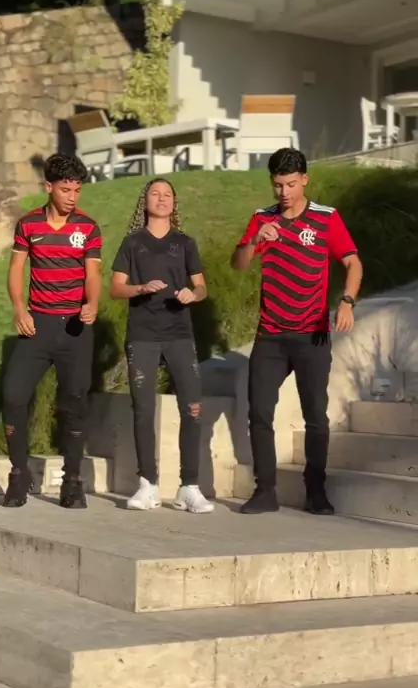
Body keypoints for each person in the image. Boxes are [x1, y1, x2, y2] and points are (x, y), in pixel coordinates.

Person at [231, 147, 363, 516]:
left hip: (312, 334)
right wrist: (255, 240)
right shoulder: (262, 218)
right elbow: (238, 264)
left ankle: (316, 491)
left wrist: (347, 301)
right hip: (270, 336)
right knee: (259, 412)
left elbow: (353, 262)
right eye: (278, 185)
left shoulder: (326, 218)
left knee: (316, 416)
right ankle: (265, 491)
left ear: (304, 179)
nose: (284, 192)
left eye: (290, 184)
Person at [2, 154, 102, 509]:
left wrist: (92, 303)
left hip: (75, 329)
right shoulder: (28, 224)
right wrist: (19, 308)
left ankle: (71, 481)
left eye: (77, 190)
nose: (72, 197)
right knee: (13, 395)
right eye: (65, 190)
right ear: (48, 187)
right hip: (38, 327)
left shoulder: (88, 228)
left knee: (74, 403)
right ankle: (18, 475)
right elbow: (16, 268)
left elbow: (93, 274)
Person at [110, 178, 213, 514]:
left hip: (180, 335)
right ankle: (147, 485)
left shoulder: (185, 243)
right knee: (143, 409)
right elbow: (116, 288)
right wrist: (140, 289)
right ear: (145, 202)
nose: (162, 198)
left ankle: (189, 487)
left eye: (167, 194)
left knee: (192, 408)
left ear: (174, 203)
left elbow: (201, 287)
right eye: (155, 194)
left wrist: (192, 295)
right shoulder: (132, 243)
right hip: (142, 335)